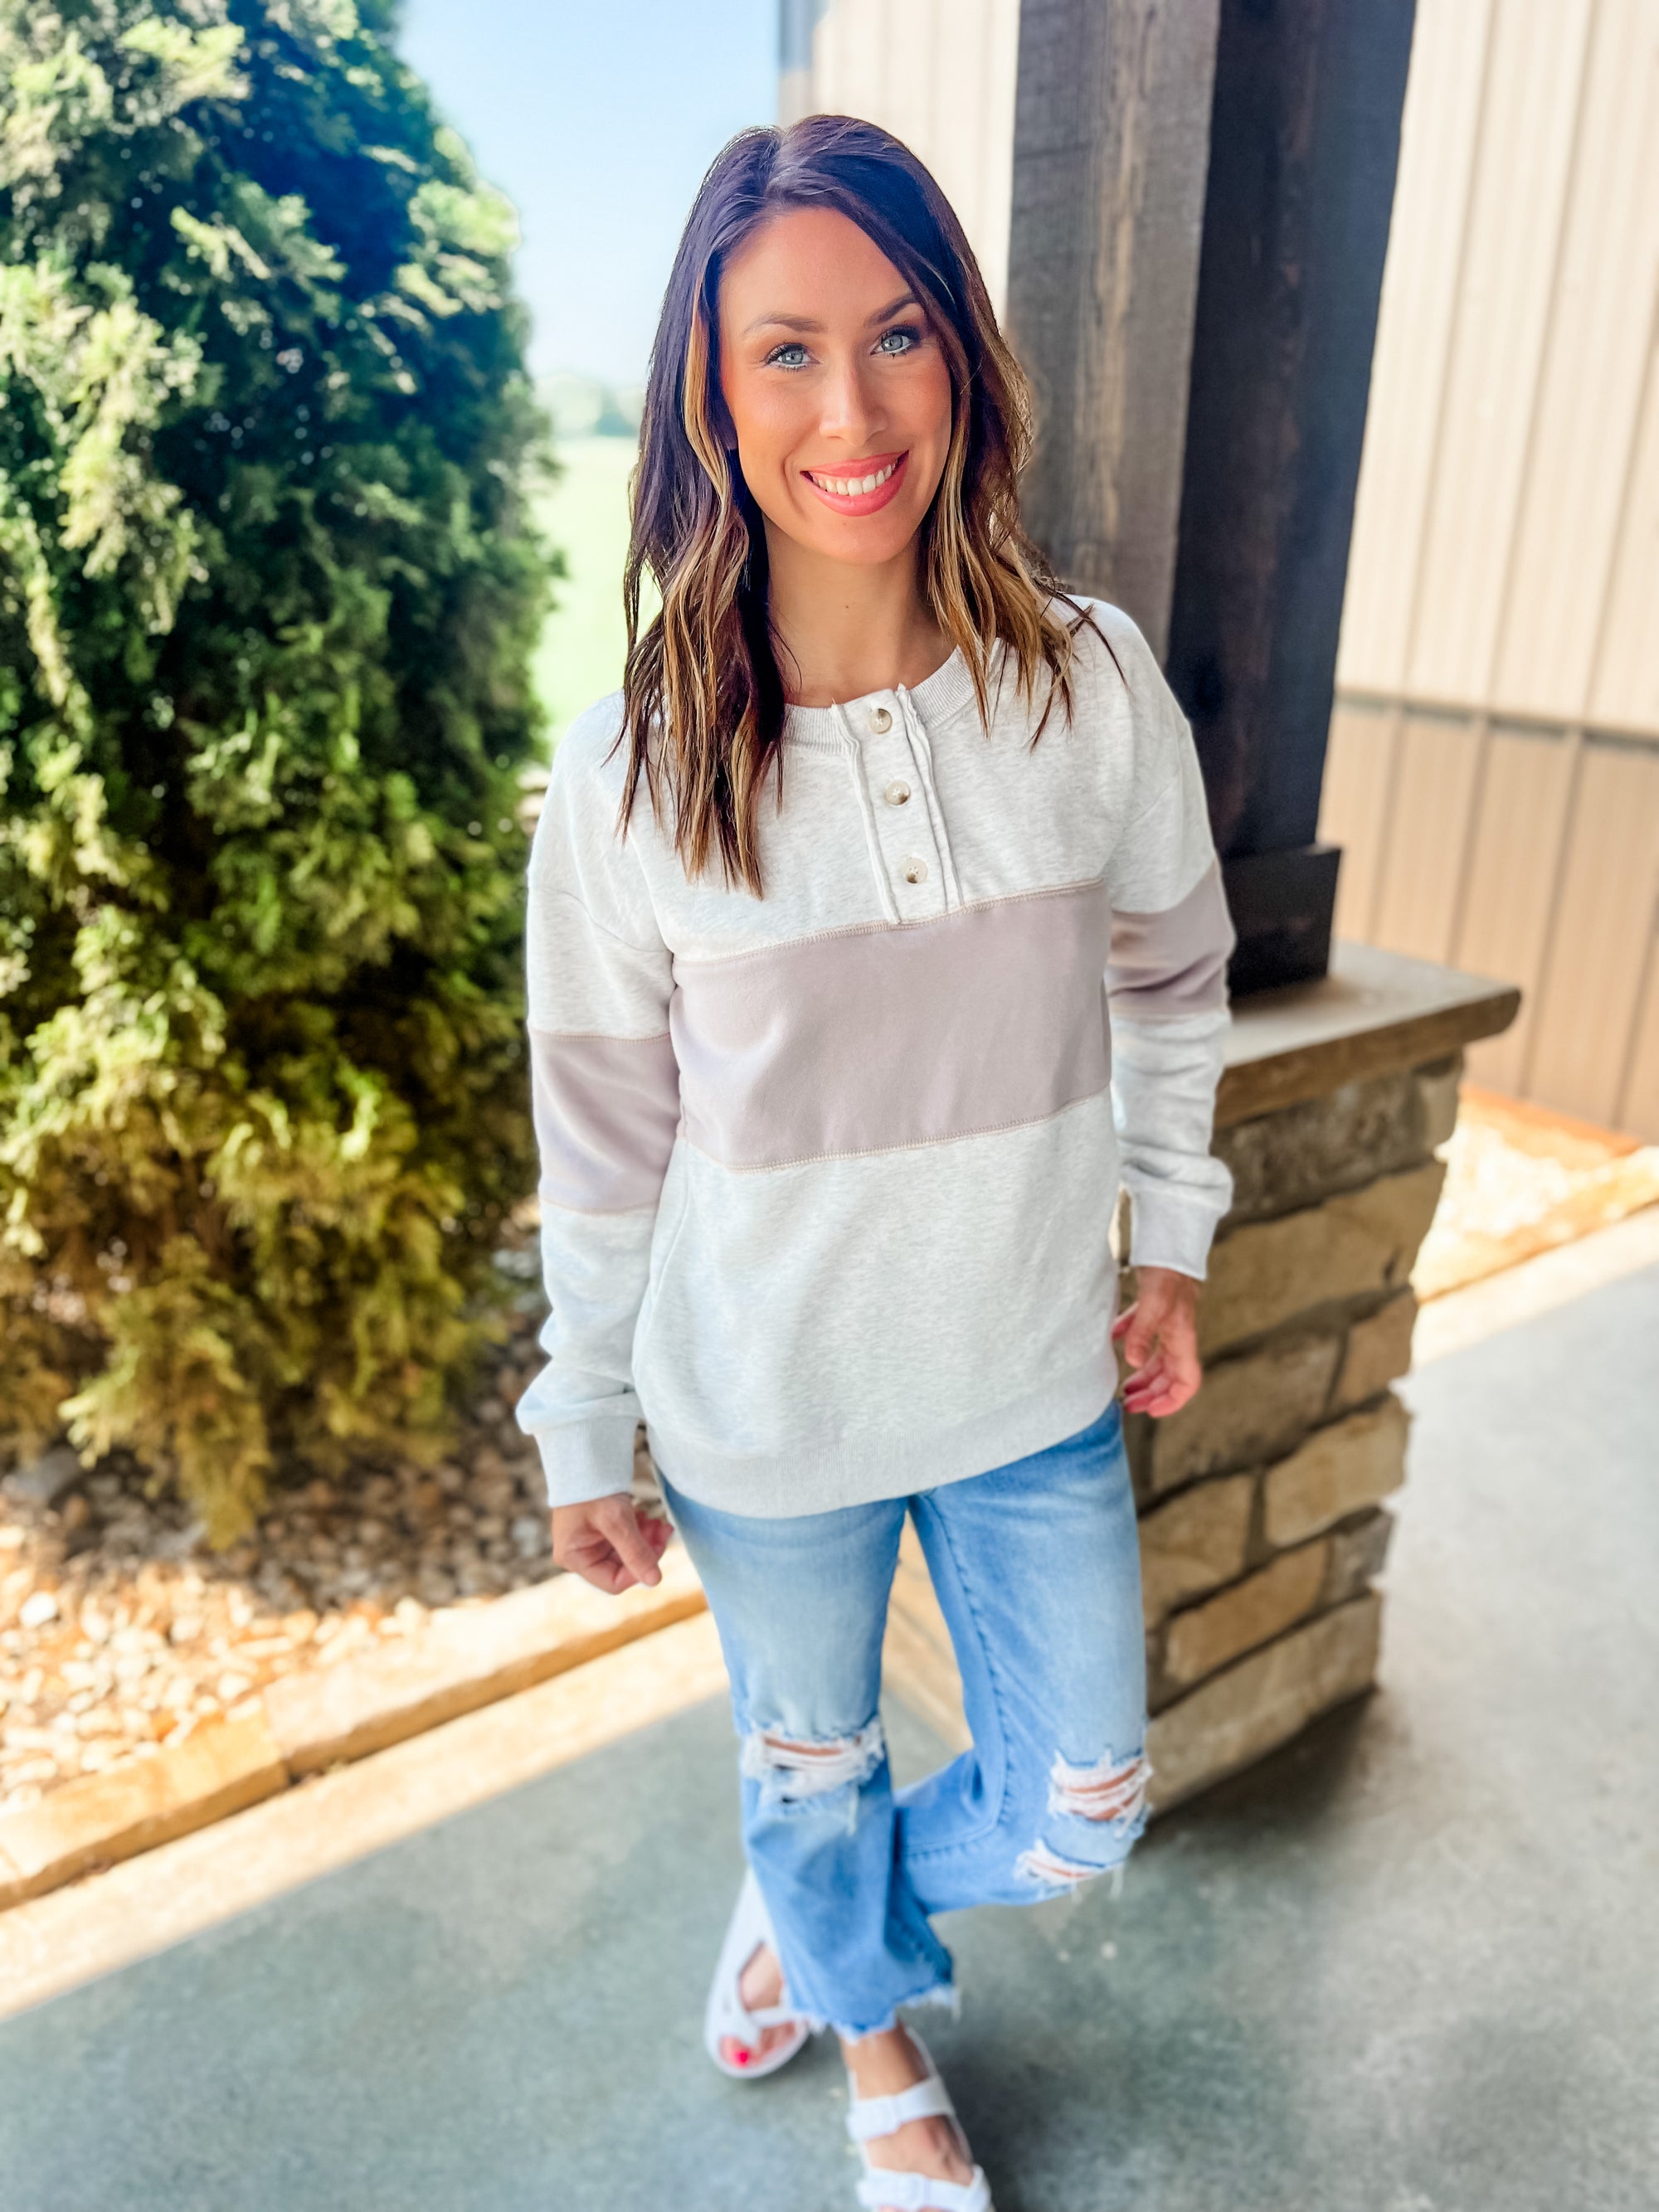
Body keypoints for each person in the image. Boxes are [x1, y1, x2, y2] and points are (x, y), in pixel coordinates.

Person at [516, 113, 1236, 2212]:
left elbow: (1174, 978)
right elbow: (606, 1136)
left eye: (900, 333)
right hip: (768, 1415)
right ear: (708, 395)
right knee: (812, 1753)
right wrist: (584, 1415)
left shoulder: (1087, 683)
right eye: (785, 352)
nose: (852, 410)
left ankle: (812, 1897)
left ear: (963, 360)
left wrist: (1172, 1233)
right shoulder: (632, 766)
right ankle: (875, 2043)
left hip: (1027, 1376)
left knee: (1081, 1805)